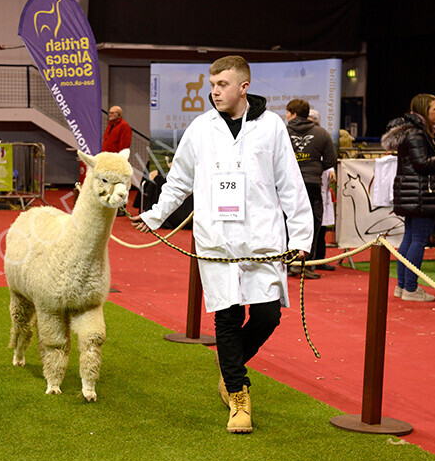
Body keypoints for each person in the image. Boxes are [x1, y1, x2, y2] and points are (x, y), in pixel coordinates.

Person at [129, 56, 313, 433]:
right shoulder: (200, 128)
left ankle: (230, 364)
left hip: (262, 239)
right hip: (216, 240)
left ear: (244, 87)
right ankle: (238, 394)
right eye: (212, 84)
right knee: (226, 316)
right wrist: (154, 216)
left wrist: (301, 236)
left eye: (223, 84)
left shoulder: (272, 127)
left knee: (267, 315)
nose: (214, 91)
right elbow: (178, 180)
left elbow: (291, 184)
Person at [381, 93, 435, 302]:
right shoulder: (416, 133)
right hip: (421, 194)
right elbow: (421, 163)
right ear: (425, 110)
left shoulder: (411, 132)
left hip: (413, 194)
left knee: (410, 238)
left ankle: (403, 286)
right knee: (418, 241)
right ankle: (411, 288)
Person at [285, 99, 337, 279]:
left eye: (287, 113)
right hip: (313, 184)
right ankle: (307, 265)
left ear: (292, 114)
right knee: (313, 224)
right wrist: (314, 169)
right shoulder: (321, 133)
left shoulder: (283, 132)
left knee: (287, 222)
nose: (286, 116)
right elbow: (331, 161)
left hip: (288, 185)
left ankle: (290, 263)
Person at [309, 109, 337, 271]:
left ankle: (319, 258)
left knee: (321, 224)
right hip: (310, 181)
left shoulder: (322, 136)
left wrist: (331, 169)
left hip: (321, 182)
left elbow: (328, 157)